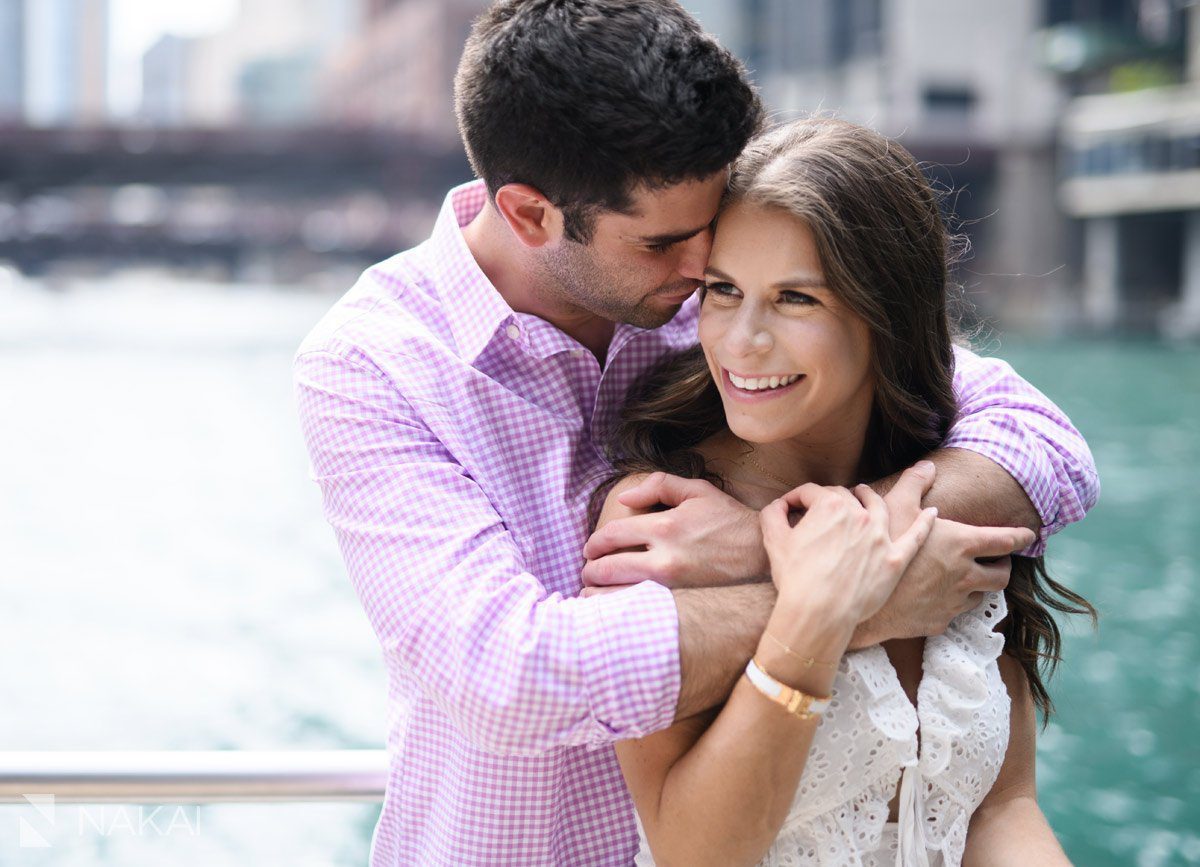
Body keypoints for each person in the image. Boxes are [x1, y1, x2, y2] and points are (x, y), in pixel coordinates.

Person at [292, 2, 1099, 864]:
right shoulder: (372, 363)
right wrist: (844, 597)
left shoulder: (718, 288)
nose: (703, 268)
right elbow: (511, 677)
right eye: (670, 244)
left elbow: (1037, 438)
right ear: (531, 215)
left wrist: (780, 537)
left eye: (713, 232)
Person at [596, 117, 1096, 866]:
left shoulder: (954, 490)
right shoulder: (667, 525)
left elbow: (1001, 806)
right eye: (724, 290)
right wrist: (818, 611)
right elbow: (694, 852)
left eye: (795, 298)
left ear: (885, 315)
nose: (742, 340)